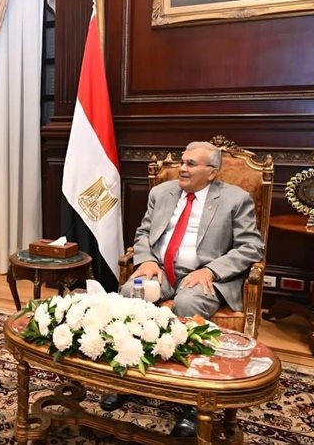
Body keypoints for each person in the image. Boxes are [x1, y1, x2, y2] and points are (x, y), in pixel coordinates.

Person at [102, 141, 264, 437]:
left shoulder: (236, 199)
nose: (182, 168)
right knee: (130, 294)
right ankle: (126, 378)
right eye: (182, 161)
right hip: (161, 270)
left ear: (212, 172)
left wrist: (211, 270)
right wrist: (147, 260)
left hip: (204, 275)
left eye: (191, 164)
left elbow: (251, 247)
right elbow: (143, 232)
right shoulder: (161, 193)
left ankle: (191, 399)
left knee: (187, 305)